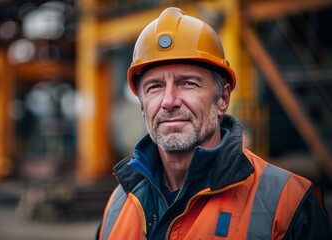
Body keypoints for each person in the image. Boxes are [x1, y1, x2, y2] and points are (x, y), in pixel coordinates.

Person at [96, 7, 331, 240]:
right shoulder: (118, 206)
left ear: (223, 99)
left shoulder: (288, 205)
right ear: (142, 105)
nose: (169, 101)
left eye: (188, 83)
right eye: (154, 87)